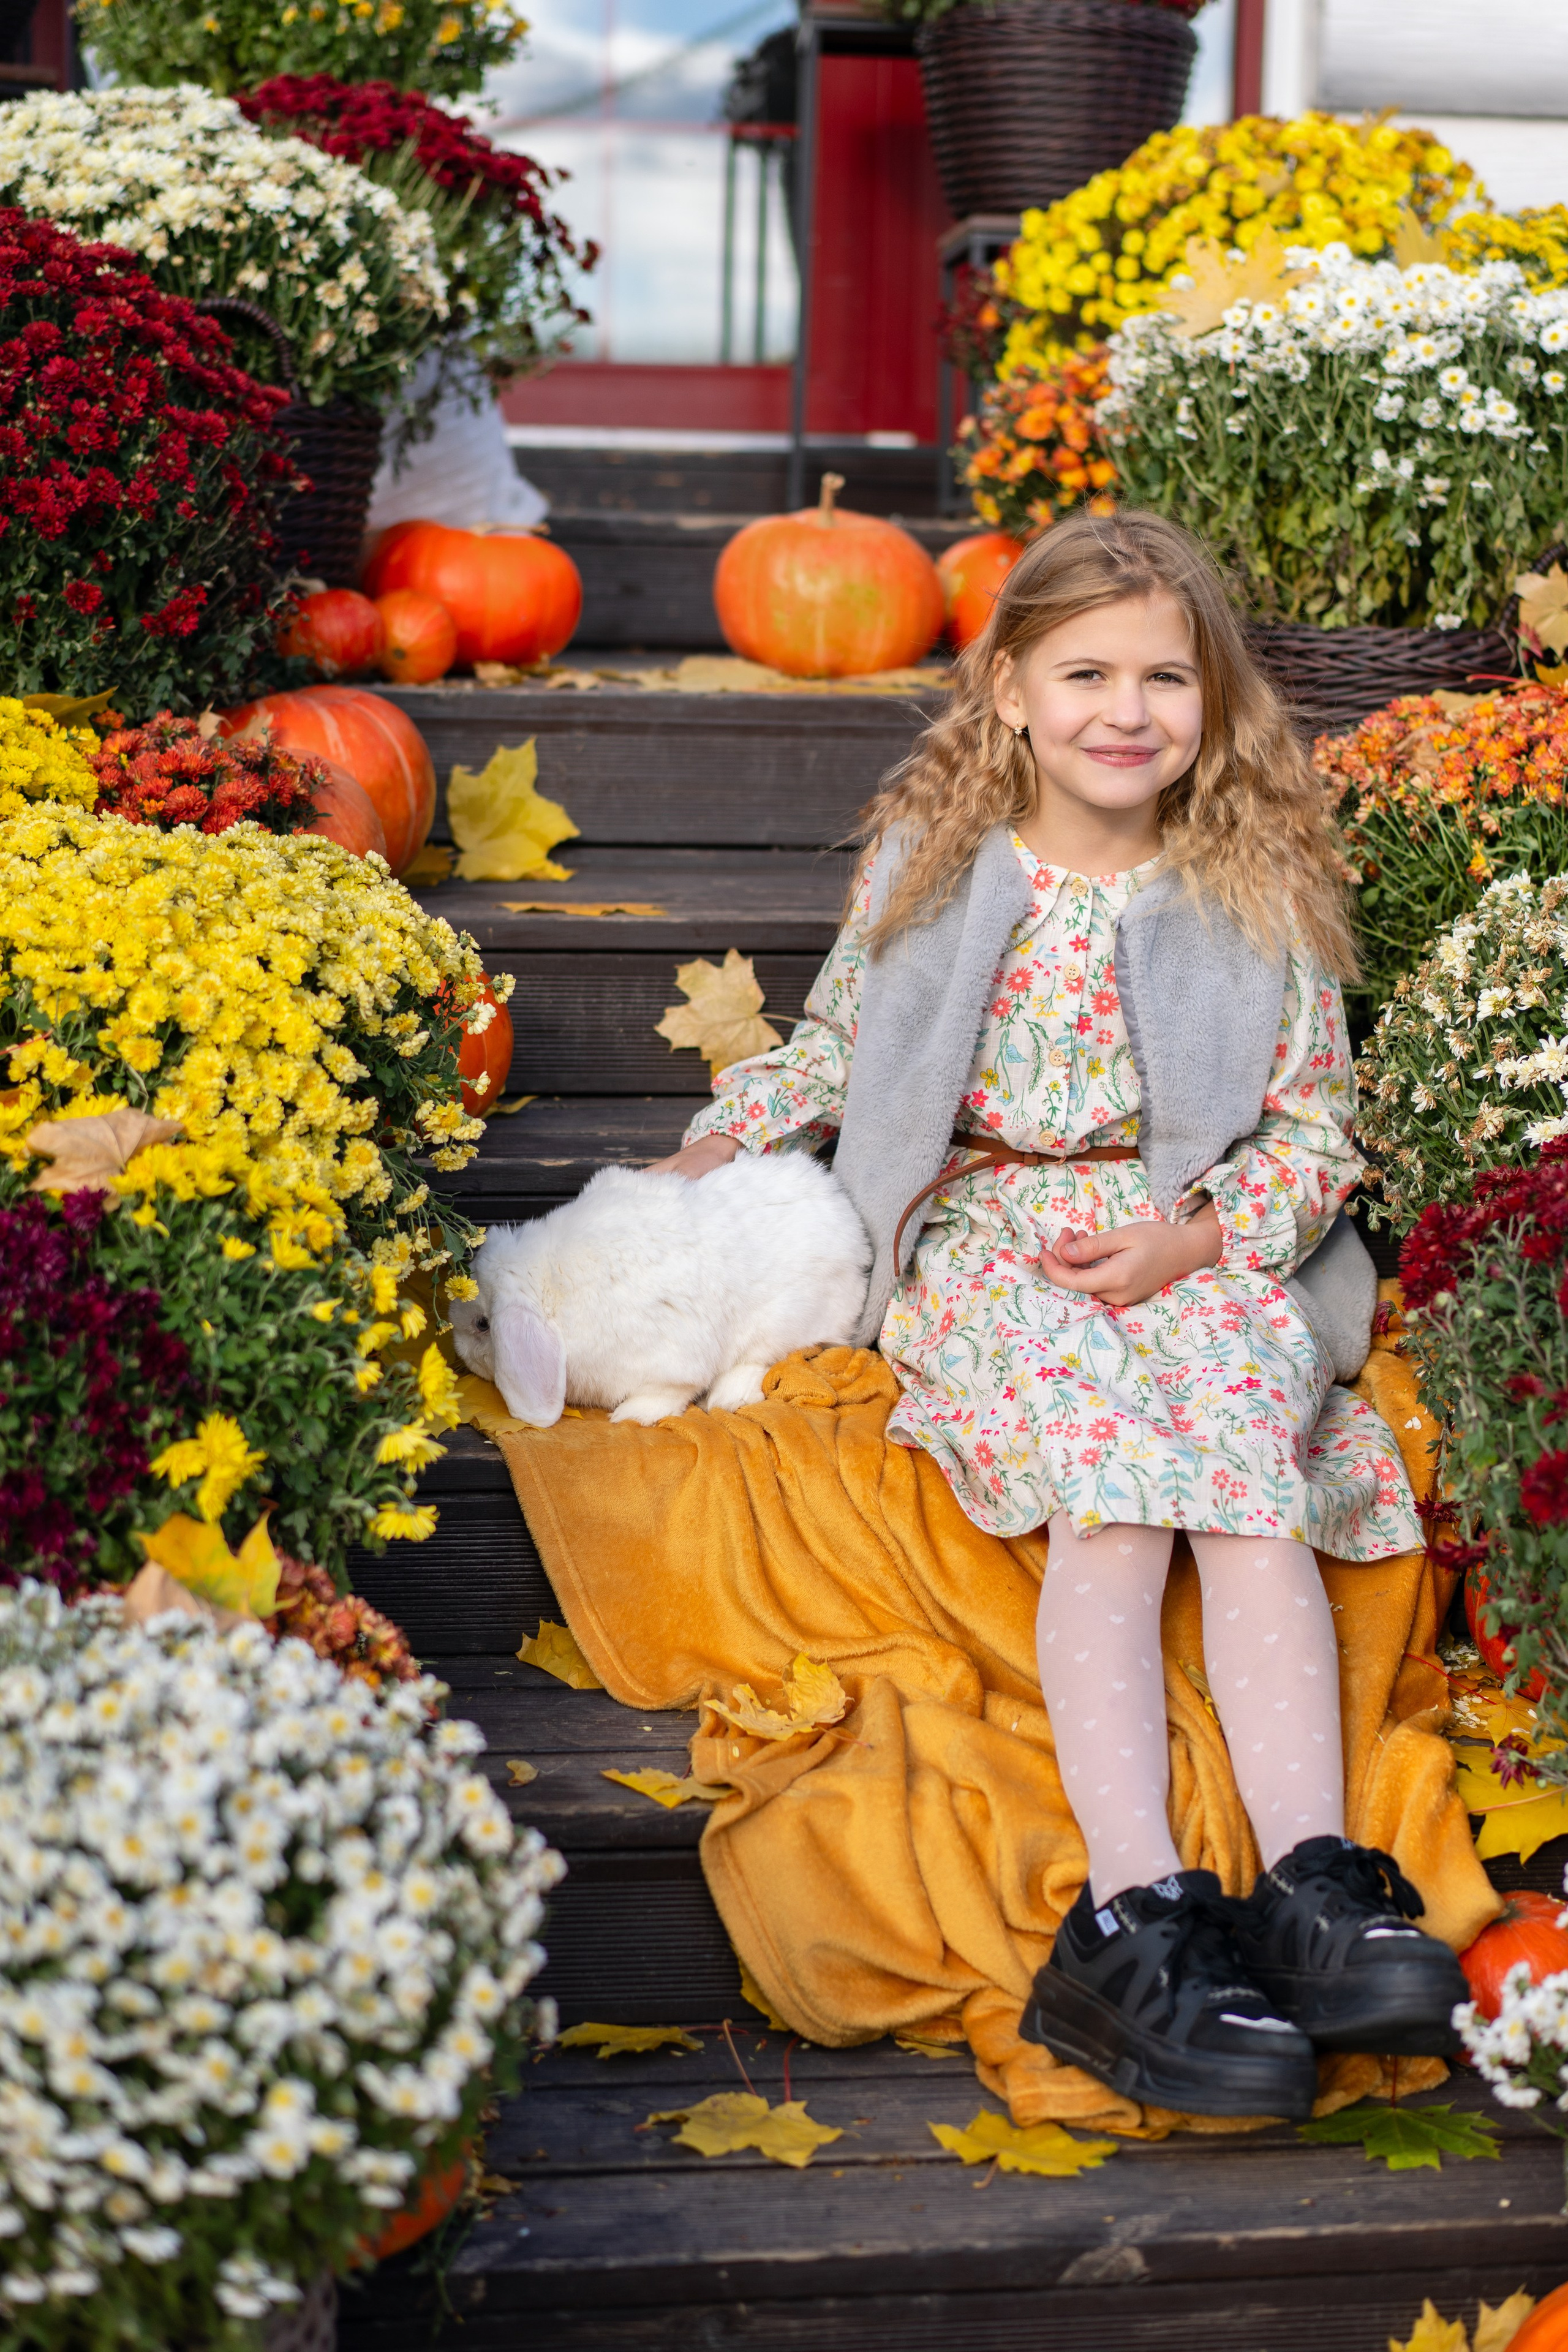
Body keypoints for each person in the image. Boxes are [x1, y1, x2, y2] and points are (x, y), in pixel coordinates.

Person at [649, 508, 1466, 2121]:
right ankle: (1130, 1916)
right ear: (1008, 688)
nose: (1127, 707)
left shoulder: (1257, 878)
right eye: (1086, 670)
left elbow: (1313, 1129)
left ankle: (1313, 1882)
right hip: (994, 1231)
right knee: (1114, 1499)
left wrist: (1205, 1241)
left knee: (1245, 1456)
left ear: (1214, 706)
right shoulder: (941, 859)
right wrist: (723, 1137)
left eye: (1168, 676)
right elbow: (839, 1044)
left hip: (1193, 1235)